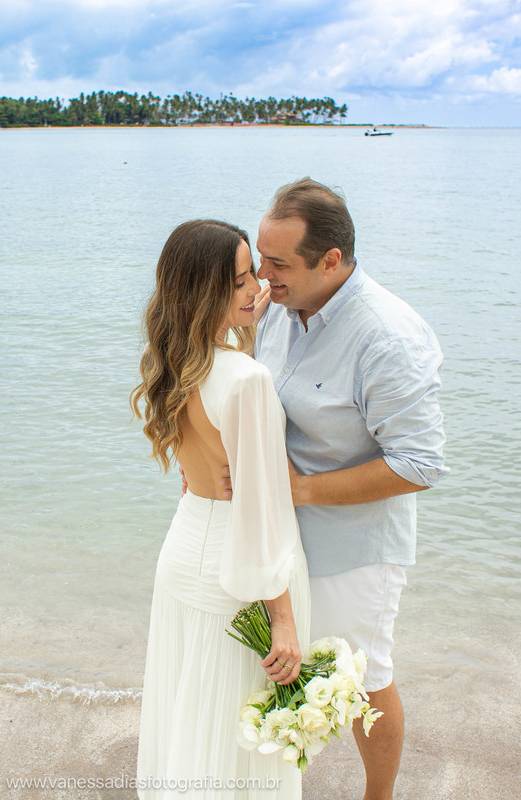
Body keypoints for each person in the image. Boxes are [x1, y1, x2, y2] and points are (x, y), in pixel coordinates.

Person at [253, 178, 449, 800]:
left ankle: (379, 797)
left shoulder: (387, 337)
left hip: (356, 548)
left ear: (330, 261)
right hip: (280, 538)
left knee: (363, 676)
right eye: (261, 257)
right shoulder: (278, 309)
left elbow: (419, 464)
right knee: (278, 669)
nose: (263, 274)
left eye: (278, 263)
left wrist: (300, 491)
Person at [132, 219, 311, 800]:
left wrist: (244, 332)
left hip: (184, 557)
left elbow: (206, 454)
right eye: (240, 280)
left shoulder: (172, 362)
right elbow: (259, 514)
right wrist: (281, 618)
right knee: (237, 749)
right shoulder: (247, 380)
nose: (257, 284)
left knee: (192, 727)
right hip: (235, 578)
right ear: (205, 292)